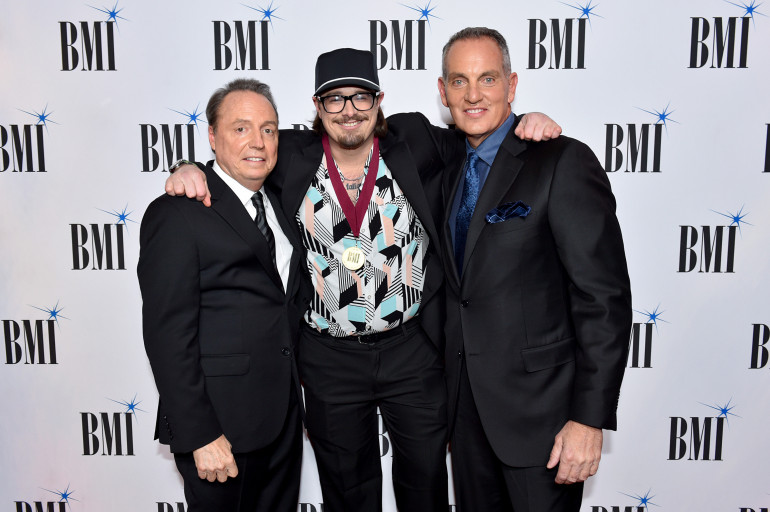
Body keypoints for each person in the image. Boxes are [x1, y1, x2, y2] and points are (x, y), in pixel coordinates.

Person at [165, 48, 561, 511]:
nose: (349, 110)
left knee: (426, 485)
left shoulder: (415, 140)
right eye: (335, 99)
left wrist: (526, 121)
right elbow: (237, 156)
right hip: (329, 358)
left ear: (379, 101)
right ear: (317, 106)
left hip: (412, 351)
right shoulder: (288, 154)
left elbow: (481, 135)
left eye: (361, 97)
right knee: (347, 492)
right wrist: (187, 169)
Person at [437, 27, 632, 512]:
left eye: (487, 78)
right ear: (443, 92)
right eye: (459, 81)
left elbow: (603, 298)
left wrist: (588, 420)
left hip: (546, 423)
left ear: (512, 85)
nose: (474, 94)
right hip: (467, 422)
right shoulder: (444, 165)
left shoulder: (562, 160)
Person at [138, 78, 309, 512]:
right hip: (221, 430)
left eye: (268, 129)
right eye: (241, 128)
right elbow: (167, 335)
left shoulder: (278, 200)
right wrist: (200, 435)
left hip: (282, 421)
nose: (258, 141)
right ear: (213, 137)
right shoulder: (177, 214)